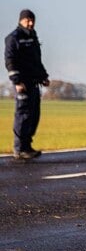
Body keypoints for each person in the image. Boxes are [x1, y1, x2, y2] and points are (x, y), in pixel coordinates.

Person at [6, 9, 50, 160]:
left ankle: (27, 146)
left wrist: (43, 76)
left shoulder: (32, 37)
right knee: (23, 114)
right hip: (22, 83)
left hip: (34, 82)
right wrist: (17, 81)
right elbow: (10, 61)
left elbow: (36, 60)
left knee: (34, 115)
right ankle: (19, 148)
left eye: (32, 20)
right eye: (27, 20)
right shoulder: (14, 38)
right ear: (21, 21)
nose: (30, 23)